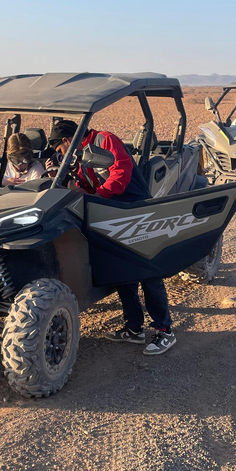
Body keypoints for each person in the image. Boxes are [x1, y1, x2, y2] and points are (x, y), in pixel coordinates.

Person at [47, 120, 175, 355]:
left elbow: (120, 175)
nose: (61, 154)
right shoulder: (79, 155)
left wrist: (97, 197)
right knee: (122, 272)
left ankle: (164, 331)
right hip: (110, 215)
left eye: (59, 150)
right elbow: (87, 184)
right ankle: (134, 328)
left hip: (135, 212)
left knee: (148, 272)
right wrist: (65, 179)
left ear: (66, 140)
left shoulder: (104, 140)